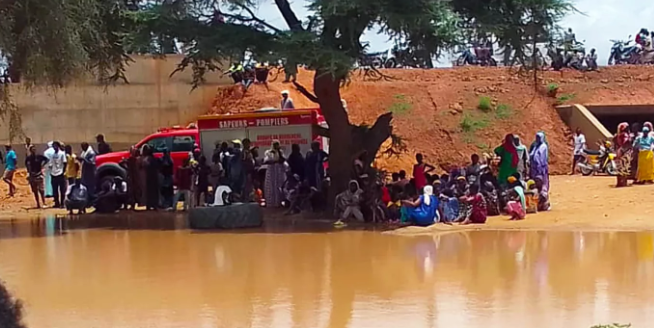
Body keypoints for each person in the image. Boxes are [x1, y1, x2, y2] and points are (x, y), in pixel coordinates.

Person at [264, 140, 286, 207]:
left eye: (277, 144)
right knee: (271, 186)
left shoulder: (280, 152)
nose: (276, 146)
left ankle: (278, 202)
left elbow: (283, 159)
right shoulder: (268, 152)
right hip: (271, 171)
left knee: (279, 186)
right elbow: (266, 161)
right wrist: (274, 161)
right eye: (275, 144)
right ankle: (271, 203)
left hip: (278, 171)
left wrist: (279, 152)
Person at [141, 144, 160, 210]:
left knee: (149, 192)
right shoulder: (153, 159)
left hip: (149, 178)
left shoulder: (146, 159)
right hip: (153, 177)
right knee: (153, 191)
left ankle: (149, 205)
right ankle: (154, 205)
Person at [614, 123, 632, 187]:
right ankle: (624, 182)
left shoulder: (616, 136)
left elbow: (615, 145)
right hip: (625, 153)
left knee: (619, 168)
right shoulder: (626, 135)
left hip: (618, 153)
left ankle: (619, 182)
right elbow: (627, 144)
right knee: (624, 168)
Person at [49, 141, 67, 208]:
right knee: (54, 189)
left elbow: (65, 163)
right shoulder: (52, 154)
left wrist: (63, 171)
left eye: (55, 146)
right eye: (53, 146)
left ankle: (62, 203)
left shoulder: (62, 153)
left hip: (60, 173)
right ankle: (57, 203)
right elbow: (51, 164)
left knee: (62, 189)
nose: (54, 147)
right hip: (53, 173)